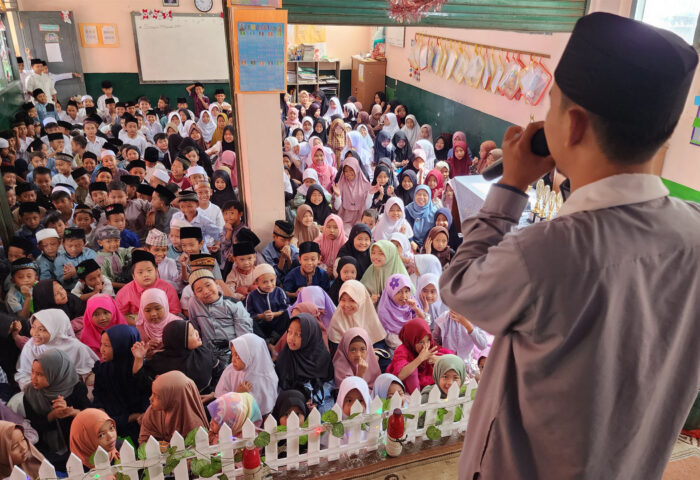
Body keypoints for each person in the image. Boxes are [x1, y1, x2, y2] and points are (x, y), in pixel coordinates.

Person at [439, 13, 700, 480]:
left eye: (552, 104)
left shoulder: (543, 254)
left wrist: (511, 186)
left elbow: (457, 286)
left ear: (573, 126)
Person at [92, 324, 150, 444]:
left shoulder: (144, 369)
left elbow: (146, 394)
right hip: (111, 425)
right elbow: (98, 395)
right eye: (101, 344)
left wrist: (138, 362)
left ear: (122, 346)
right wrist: (100, 411)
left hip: (141, 424)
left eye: (107, 345)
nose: (102, 349)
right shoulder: (103, 369)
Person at [215, 333, 279, 416]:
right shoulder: (231, 370)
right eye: (233, 354)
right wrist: (237, 395)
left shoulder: (267, 378)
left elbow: (267, 410)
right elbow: (220, 403)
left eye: (238, 356)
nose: (233, 360)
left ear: (251, 355)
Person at [138, 370, 208, 445]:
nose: (150, 398)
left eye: (157, 396)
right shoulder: (153, 412)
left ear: (173, 400)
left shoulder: (194, 426)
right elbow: (144, 442)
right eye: (152, 393)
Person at [386, 318, 452, 394]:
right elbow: (400, 375)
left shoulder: (431, 345)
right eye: (420, 342)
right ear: (411, 340)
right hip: (409, 389)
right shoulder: (402, 350)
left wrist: (438, 359)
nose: (425, 345)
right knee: (412, 370)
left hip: (428, 385)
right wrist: (420, 358)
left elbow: (454, 360)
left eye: (428, 340)